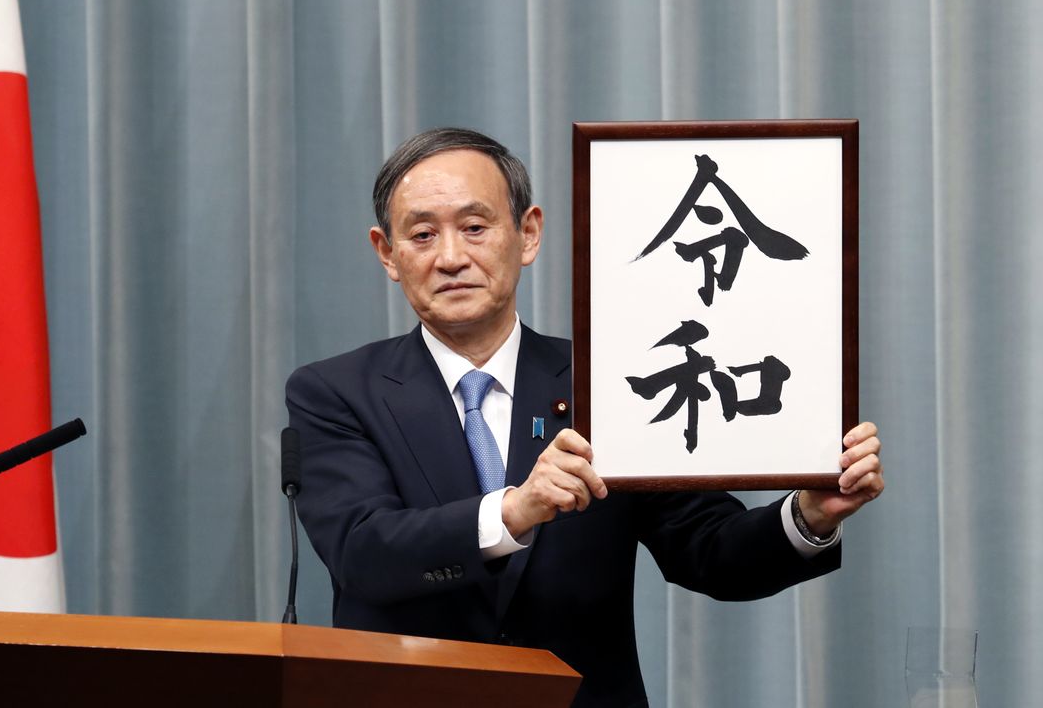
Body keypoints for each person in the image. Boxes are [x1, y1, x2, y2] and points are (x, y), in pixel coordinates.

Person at [286, 128, 884, 708]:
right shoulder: (335, 392)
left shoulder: (611, 380)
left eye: (474, 227)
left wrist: (808, 514)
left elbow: (709, 550)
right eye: (421, 235)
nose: (450, 257)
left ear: (527, 233)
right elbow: (364, 555)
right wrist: (517, 510)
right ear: (386, 253)